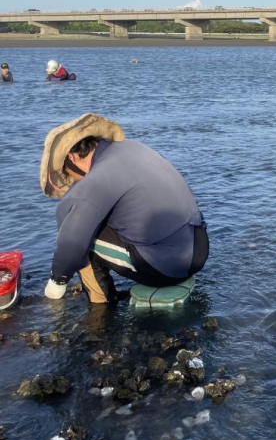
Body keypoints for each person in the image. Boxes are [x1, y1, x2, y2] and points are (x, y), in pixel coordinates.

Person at [40, 113, 209, 303]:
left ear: (71, 157)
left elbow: (71, 244)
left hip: (169, 267)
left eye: (67, 172)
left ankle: (101, 310)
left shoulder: (97, 179)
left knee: (81, 243)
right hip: (199, 249)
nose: (73, 179)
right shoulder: (135, 148)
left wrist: (57, 282)